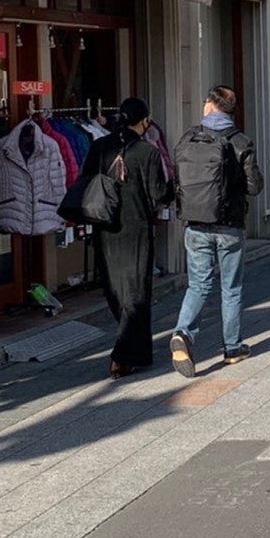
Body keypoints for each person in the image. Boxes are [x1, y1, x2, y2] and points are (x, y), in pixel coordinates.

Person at [170, 85, 264, 377]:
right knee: (231, 288)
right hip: (230, 227)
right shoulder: (241, 141)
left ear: (210, 104)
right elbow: (254, 187)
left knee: (198, 285)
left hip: (195, 224)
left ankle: (183, 333)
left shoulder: (189, 138)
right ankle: (232, 348)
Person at [79, 96, 170, 379]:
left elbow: (85, 183)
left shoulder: (99, 147)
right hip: (137, 230)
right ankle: (124, 355)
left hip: (105, 228)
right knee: (137, 293)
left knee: (115, 291)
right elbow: (158, 193)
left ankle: (133, 351)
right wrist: (172, 191)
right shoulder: (148, 152)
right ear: (145, 121)